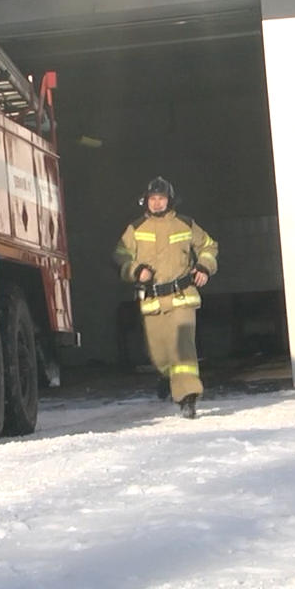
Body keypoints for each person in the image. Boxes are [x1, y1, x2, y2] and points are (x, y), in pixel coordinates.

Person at [112, 177, 219, 419]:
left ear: (170, 200)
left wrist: (203, 267)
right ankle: (168, 376)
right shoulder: (136, 228)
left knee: (183, 350)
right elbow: (120, 255)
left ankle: (188, 397)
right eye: (153, 199)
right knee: (160, 355)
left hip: (182, 298)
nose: (157, 203)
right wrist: (136, 271)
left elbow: (209, 247)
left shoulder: (185, 224)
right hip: (152, 302)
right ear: (145, 202)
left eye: (161, 199)